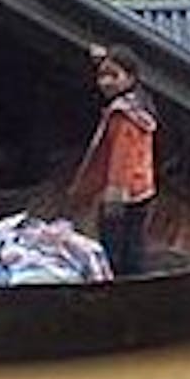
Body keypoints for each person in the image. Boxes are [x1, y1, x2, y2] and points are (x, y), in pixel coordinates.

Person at [67, 42, 159, 276]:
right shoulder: (140, 106)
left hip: (123, 193)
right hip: (142, 188)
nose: (105, 82)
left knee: (116, 251)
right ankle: (133, 287)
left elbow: (122, 157)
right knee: (134, 244)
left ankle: (119, 292)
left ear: (130, 78)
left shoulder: (123, 115)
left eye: (113, 76)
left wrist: (114, 196)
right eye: (102, 76)